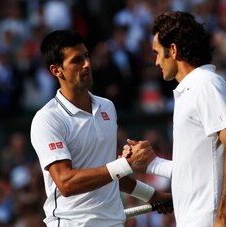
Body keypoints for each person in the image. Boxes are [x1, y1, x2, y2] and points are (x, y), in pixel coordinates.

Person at [30, 29, 172, 226]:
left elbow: (108, 173)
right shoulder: (47, 119)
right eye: (77, 60)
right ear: (56, 70)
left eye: (86, 56)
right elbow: (66, 183)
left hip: (114, 222)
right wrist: (126, 164)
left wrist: (152, 195)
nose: (87, 64)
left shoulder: (107, 107)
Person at [124, 11, 226, 227]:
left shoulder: (206, 83)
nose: (155, 62)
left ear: (173, 49)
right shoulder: (191, 90)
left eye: (157, 53)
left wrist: (224, 215)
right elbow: (195, 171)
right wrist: (151, 163)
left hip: (211, 219)